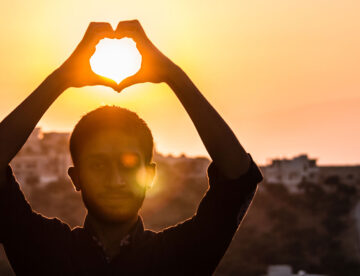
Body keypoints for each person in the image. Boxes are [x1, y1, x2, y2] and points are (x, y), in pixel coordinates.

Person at [0, 20, 263, 275]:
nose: (115, 180)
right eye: (99, 165)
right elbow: (238, 178)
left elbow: (237, 179)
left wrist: (173, 75)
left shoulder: (176, 257)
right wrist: (60, 79)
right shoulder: (45, 251)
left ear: (149, 174)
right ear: (76, 177)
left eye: (127, 164)